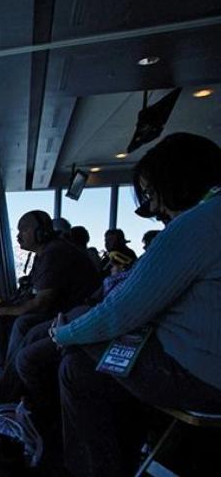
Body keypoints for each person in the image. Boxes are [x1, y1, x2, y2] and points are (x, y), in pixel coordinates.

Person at [52, 133, 221, 477]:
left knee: (75, 368)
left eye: (150, 193)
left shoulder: (196, 225)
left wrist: (63, 334)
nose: (153, 208)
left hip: (205, 380)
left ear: (174, 181)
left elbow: (120, 312)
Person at [0, 210, 100, 377]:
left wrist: (2, 310)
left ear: (41, 232)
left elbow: (41, 303)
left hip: (75, 314)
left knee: (23, 323)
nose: (18, 236)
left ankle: (7, 383)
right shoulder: (46, 253)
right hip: (68, 310)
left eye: (23, 230)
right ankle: (7, 374)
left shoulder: (54, 253)